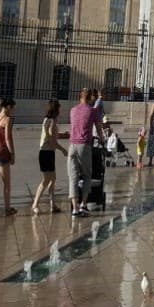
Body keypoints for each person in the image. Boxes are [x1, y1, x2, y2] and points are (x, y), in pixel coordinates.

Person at [69, 88, 102, 216]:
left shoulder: (73, 110)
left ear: (80, 97)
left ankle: (74, 208)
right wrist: (102, 140)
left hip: (72, 145)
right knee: (87, 175)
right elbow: (98, 128)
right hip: (84, 145)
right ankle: (83, 204)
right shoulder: (92, 111)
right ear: (89, 98)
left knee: (73, 177)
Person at [32, 100, 69, 214]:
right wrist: (63, 150)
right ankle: (35, 204)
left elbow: (52, 135)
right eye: (59, 109)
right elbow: (52, 140)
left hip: (46, 152)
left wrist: (63, 135)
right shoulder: (52, 122)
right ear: (56, 110)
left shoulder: (46, 120)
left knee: (52, 179)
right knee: (46, 180)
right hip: (46, 153)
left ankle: (53, 204)